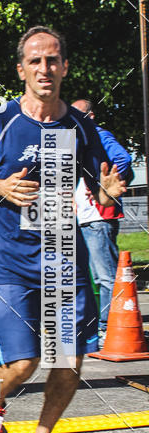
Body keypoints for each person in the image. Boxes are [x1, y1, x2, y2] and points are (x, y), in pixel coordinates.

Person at [0, 26, 127, 433]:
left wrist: (107, 195)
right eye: (35, 61)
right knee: (24, 362)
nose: (45, 69)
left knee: (70, 360)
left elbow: (101, 194)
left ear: (65, 67)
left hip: (64, 258)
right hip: (10, 258)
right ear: (21, 70)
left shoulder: (81, 127)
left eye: (53, 60)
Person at [71, 100, 132, 343]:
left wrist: (103, 186)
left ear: (91, 116)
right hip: (85, 217)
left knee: (105, 275)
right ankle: (96, 323)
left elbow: (124, 160)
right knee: (90, 275)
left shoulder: (99, 134)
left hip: (99, 215)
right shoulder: (81, 141)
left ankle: (108, 326)